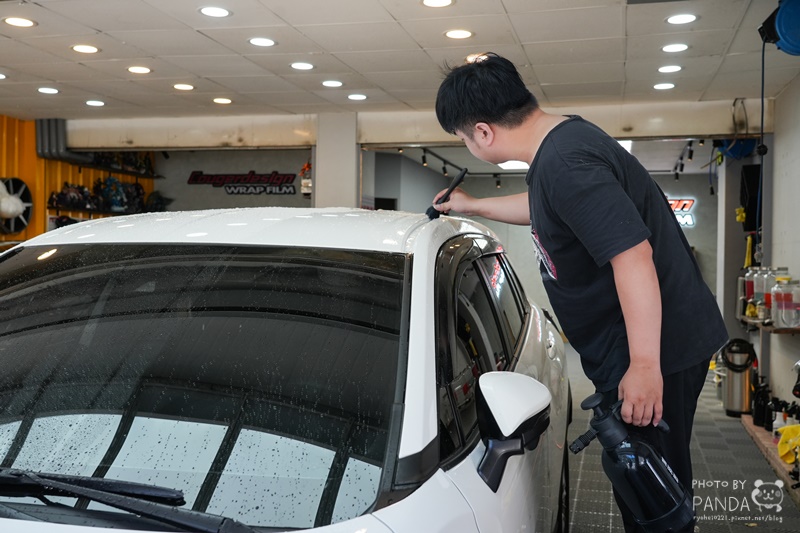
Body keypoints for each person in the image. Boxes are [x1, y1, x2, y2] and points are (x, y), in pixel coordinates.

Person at [431, 53, 728, 533]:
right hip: (645, 343)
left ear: (483, 132)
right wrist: (473, 205)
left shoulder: (565, 162)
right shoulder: (562, 144)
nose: (468, 145)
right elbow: (545, 205)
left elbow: (633, 258)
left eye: (464, 137)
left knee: (653, 497)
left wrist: (645, 365)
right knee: (645, 487)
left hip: (655, 350)